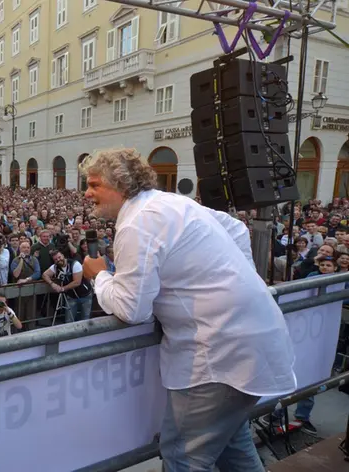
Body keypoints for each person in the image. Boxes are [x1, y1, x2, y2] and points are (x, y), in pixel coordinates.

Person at [80, 148, 296, 472]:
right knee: (231, 446)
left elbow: (131, 308)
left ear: (120, 184)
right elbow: (238, 230)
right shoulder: (172, 203)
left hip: (218, 354)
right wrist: (235, 285)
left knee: (183, 456)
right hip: (246, 341)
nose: (87, 193)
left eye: (94, 184)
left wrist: (99, 276)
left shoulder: (137, 223)